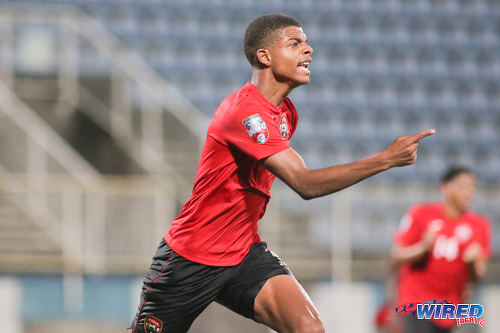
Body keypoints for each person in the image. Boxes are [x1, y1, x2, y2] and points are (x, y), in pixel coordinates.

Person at [129, 14, 435, 333]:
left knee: (309, 329)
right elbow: (305, 183)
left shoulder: (286, 114)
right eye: (295, 43)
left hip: (242, 252)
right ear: (265, 56)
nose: (309, 50)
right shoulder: (245, 112)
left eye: (306, 42)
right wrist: (384, 159)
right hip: (190, 258)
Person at [391, 166, 491, 333]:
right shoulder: (421, 214)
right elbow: (396, 255)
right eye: (463, 186)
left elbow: (479, 276)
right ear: (445, 187)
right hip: (417, 302)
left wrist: (473, 262)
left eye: (472, 187)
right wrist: (423, 247)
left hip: (450, 308)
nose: (469, 192)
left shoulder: (479, 226)